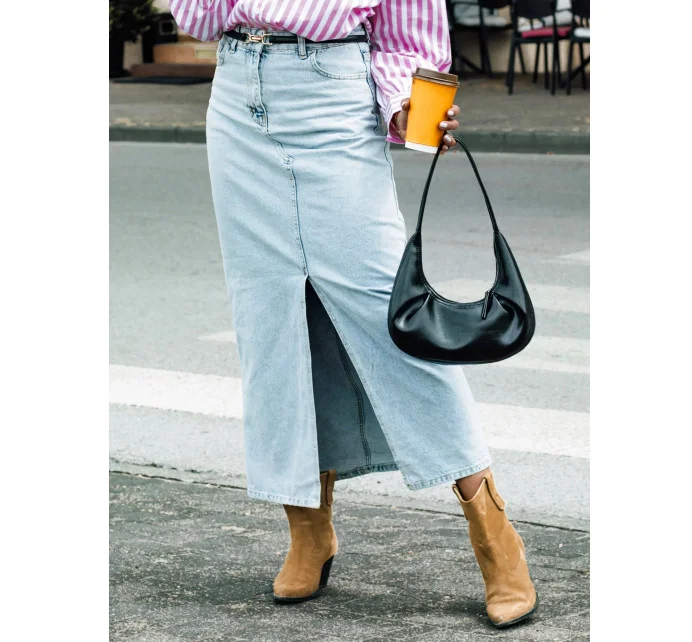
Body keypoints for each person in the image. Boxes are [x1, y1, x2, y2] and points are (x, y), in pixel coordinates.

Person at [168, 0, 537, 628]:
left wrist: (410, 104)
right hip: (236, 95)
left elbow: (410, 29)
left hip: (333, 98)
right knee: (270, 321)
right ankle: (308, 527)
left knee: (394, 322)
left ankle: (494, 534)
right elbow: (199, 19)